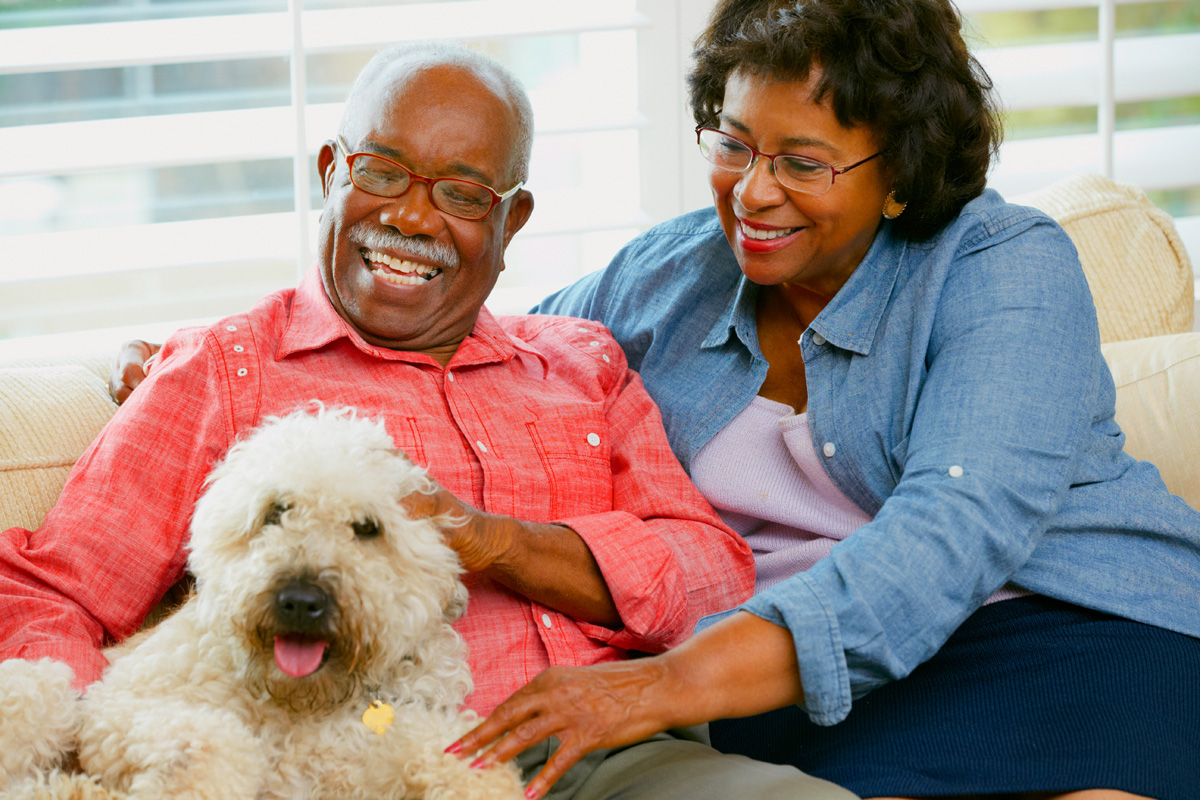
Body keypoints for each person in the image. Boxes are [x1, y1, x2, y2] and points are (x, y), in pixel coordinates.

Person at [0, 42, 855, 800]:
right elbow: (50, 595)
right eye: (379, 171)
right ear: (331, 170)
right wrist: (109, 744)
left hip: (614, 758)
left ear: (510, 219)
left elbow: (713, 571)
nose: (410, 217)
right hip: (361, 768)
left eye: (459, 192)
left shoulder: (580, 362)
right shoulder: (223, 369)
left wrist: (499, 543)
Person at [446, 1, 1200, 799]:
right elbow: (490, 360)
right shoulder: (667, 277)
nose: (752, 192)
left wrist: (656, 688)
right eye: (734, 144)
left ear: (902, 173)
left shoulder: (1003, 265)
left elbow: (953, 532)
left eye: (803, 164)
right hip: (800, 693)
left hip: (1054, 632)